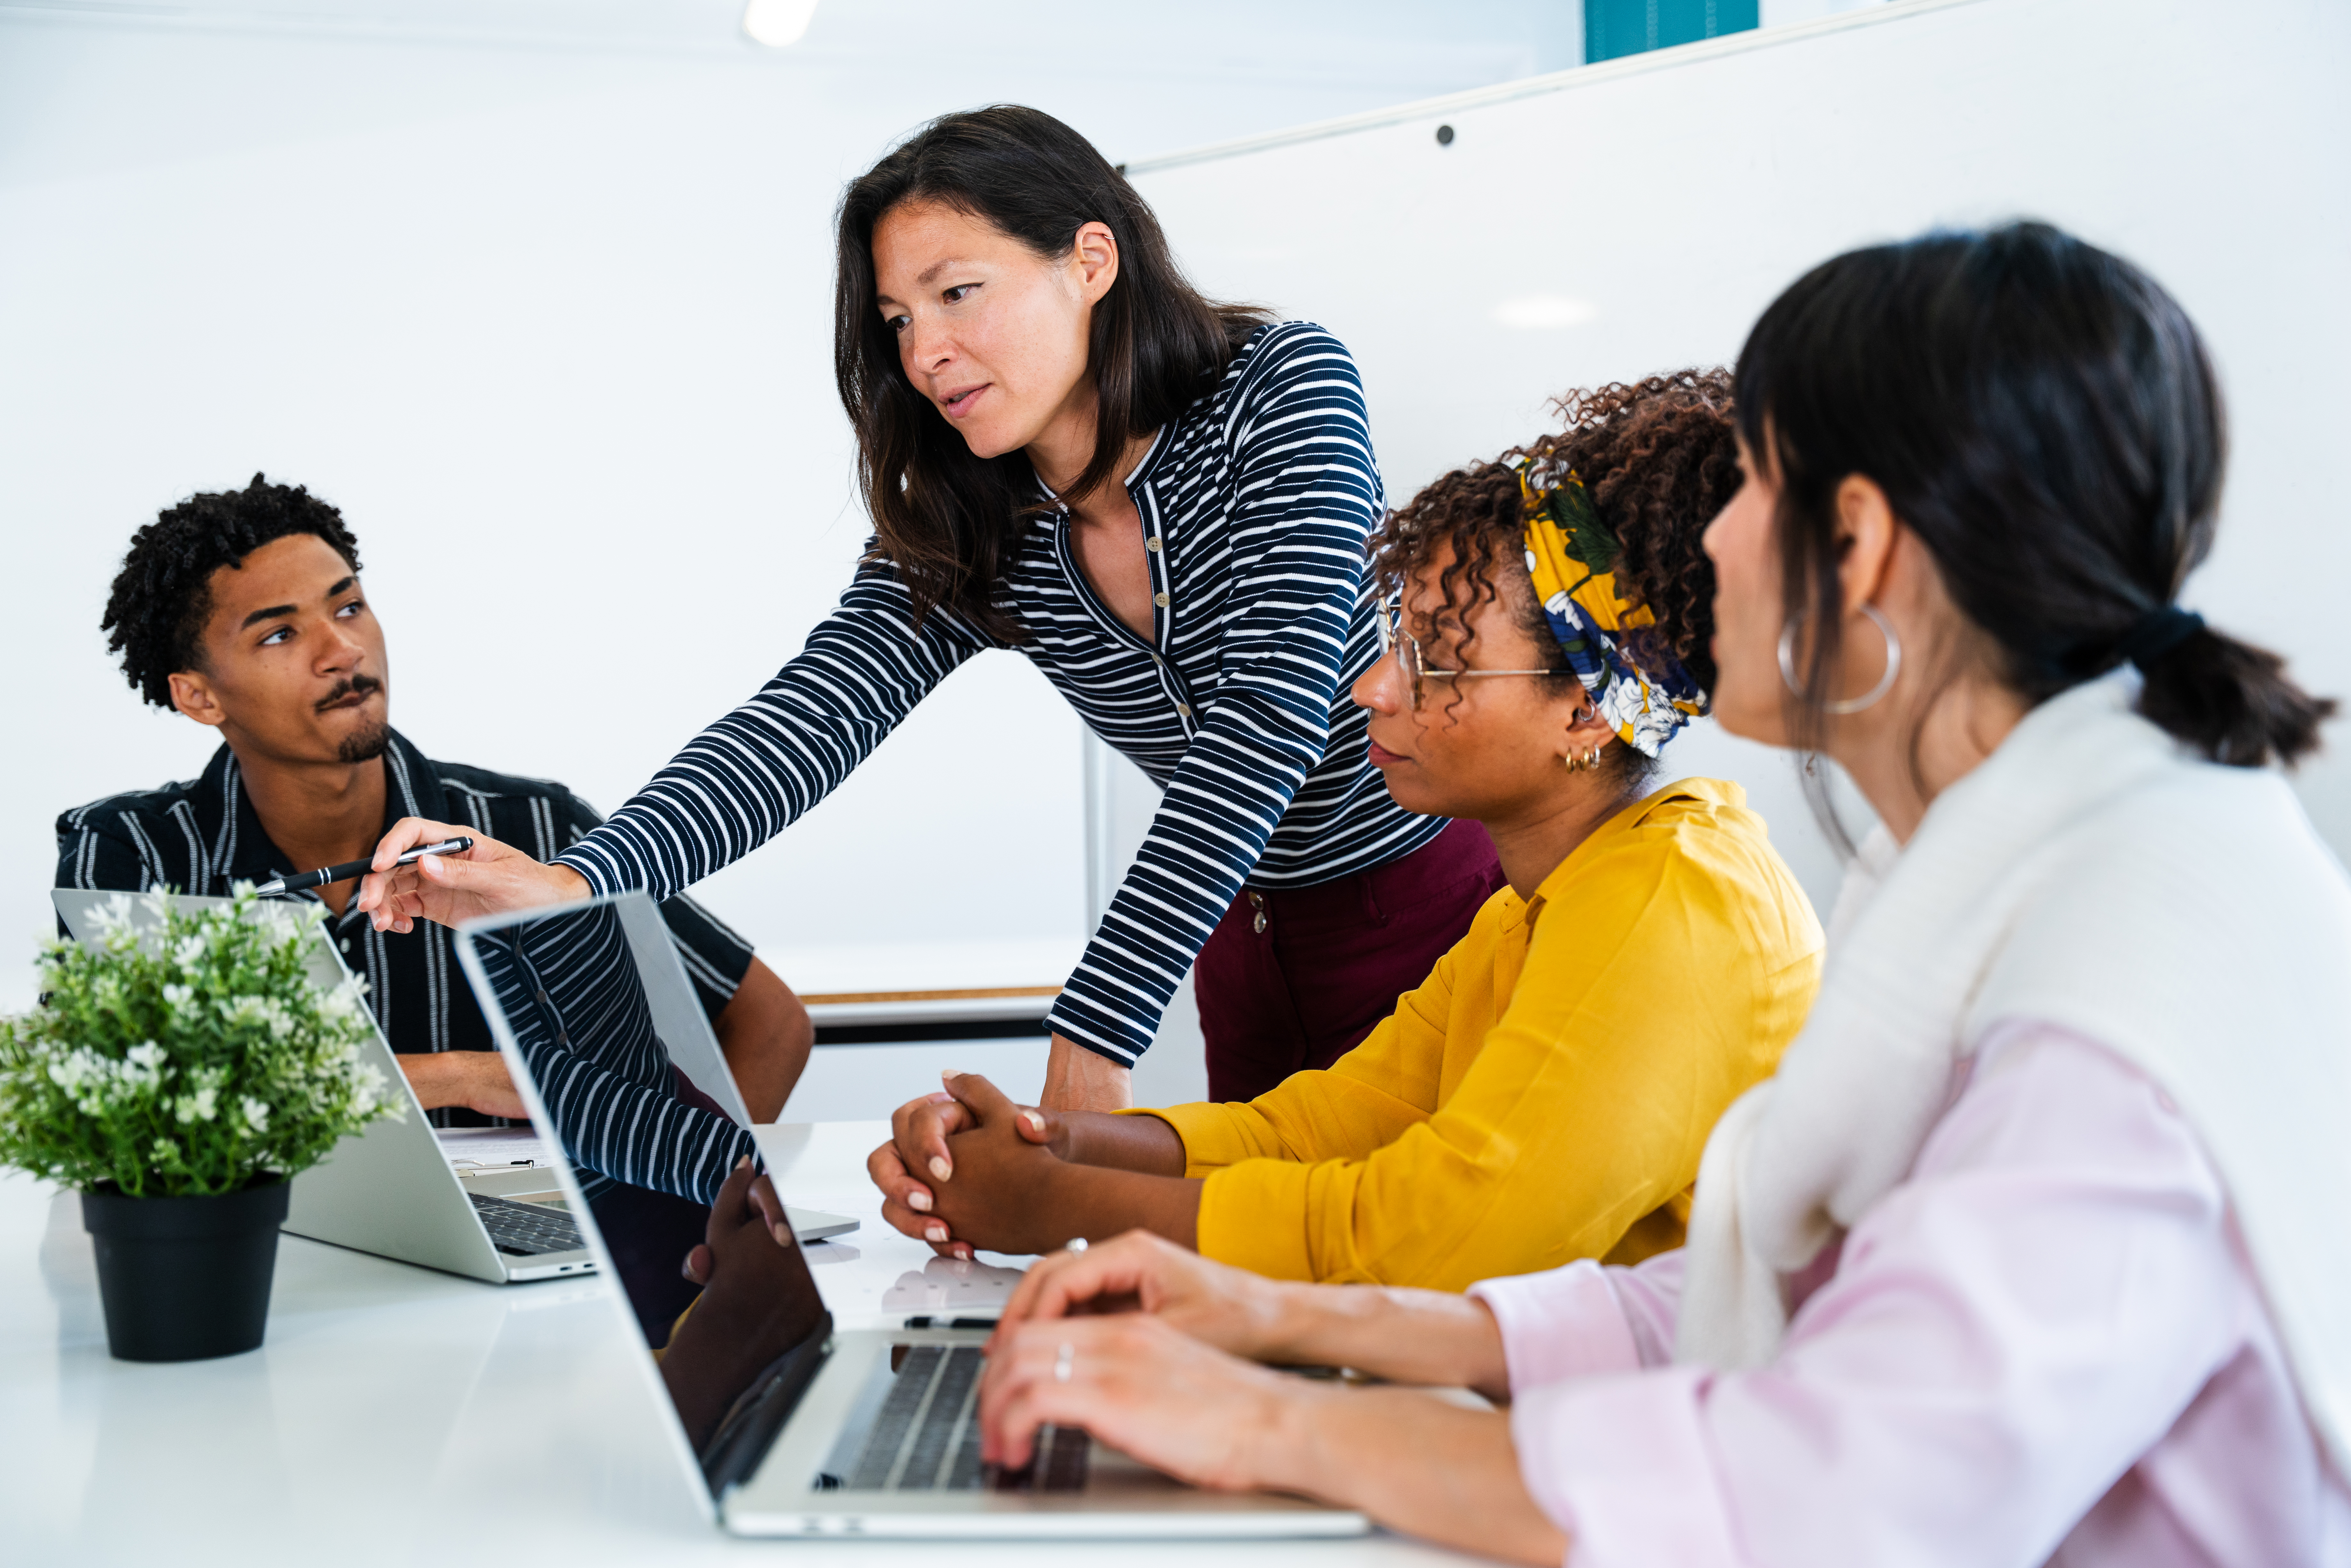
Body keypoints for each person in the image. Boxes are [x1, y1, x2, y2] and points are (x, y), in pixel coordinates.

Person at [957, 224, 2351, 1565]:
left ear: (1856, 542)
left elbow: (1822, 1495)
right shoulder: (2020, 871)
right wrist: (1286, 1315)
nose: (1704, 546)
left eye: (1749, 482)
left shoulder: (2112, 993)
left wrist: (1266, 1415)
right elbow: (1786, 1292)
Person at [353, 104, 1508, 1112]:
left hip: (1437, 904)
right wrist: (583, 878)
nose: (927, 353)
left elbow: (1274, 708)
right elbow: (808, 719)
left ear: (1089, 261)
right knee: (1286, 1288)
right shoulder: (980, 514)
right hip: (1241, 935)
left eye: (958, 293)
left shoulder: (1280, 385)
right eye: (899, 320)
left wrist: (1100, 1018)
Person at [865, 373, 1826, 1290]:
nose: (1370, 686)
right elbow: (1321, 1125)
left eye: (1437, 664)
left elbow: (1432, 1233)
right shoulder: (1529, 913)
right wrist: (1049, 1140)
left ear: (1584, 711)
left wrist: (1059, 1200)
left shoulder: (1670, 903)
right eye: (1390, 642)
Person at [59, 475, 814, 1126]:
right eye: (279, 634)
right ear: (197, 696)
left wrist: (705, 1200)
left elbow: (770, 1024)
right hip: (257, 1261)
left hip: (528, 1256)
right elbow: (127, 1099)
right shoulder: (129, 852)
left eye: (348, 607)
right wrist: (465, 1078)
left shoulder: (536, 829)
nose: (341, 650)